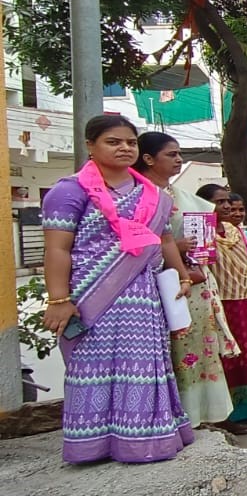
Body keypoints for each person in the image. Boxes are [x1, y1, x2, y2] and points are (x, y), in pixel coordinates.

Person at [42, 115, 194, 463]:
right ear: (90, 146)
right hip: (91, 298)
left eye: (130, 142)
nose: (125, 148)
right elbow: (57, 249)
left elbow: (165, 238)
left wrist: (181, 275)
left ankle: (145, 440)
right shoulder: (69, 191)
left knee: (143, 366)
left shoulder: (152, 195)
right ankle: (93, 445)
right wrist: (58, 299)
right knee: (91, 368)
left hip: (142, 297)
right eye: (113, 141)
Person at [135, 133, 237, 428]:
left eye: (179, 154)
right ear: (149, 159)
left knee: (199, 349)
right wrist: (174, 248)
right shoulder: (138, 196)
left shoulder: (185, 199)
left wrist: (198, 252)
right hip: (155, 287)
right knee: (169, 353)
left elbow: (204, 249)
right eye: (172, 154)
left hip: (192, 285)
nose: (179, 159)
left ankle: (202, 416)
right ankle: (173, 417)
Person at [199, 183, 247, 432]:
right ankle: (225, 415)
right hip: (219, 303)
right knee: (224, 357)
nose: (227, 206)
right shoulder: (201, 231)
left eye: (227, 201)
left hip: (245, 299)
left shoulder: (233, 229)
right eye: (220, 202)